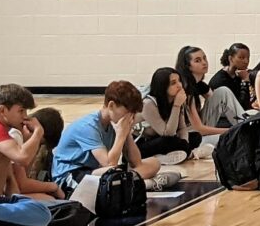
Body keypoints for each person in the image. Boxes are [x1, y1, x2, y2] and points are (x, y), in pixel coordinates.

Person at [50, 81, 184, 194]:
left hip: (96, 172)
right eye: (128, 112)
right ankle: (146, 184)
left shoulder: (115, 123)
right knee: (112, 172)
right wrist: (120, 134)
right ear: (111, 106)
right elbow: (109, 164)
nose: (130, 117)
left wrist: (127, 134)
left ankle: (133, 184)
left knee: (154, 163)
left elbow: (136, 162)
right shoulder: (88, 126)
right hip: (71, 175)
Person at [140, 65, 207, 157]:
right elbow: (167, 133)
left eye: (179, 81)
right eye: (173, 83)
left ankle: (175, 154)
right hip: (142, 144)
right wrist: (176, 106)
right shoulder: (148, 103)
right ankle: (167, 156)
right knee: (168, 141)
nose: (179, 85)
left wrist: (185, 145)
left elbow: (182, 128)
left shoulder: (175, 99)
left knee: (196, 136)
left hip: (163, 138)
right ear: (163, 86)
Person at [176, 45, 236, 140]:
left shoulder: (200, 85)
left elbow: (220, 105)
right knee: (229, 138)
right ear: (188, 66)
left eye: (204, 58)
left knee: (222, 91)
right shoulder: (186, 89)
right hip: (190, 135)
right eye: (197, 60)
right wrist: (232, 129)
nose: (204, 63)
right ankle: (245, 125)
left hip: (202, 128)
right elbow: (199, 129)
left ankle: (246, 123)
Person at [207, 44, 254, 119]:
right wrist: (245, 82)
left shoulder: (239, 74)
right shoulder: (220, 80)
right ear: (231, 59)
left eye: (248, 58)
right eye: (241, 58)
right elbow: (240, 106)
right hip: (221, 119)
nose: (246, 61)